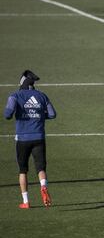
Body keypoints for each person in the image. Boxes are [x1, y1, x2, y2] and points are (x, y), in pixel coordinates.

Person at [3, 70, 56, 209]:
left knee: (23, 170)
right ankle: (43, 187)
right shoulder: (42, 95)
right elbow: (52, 114)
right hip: (39, 137)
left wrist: (20, 113)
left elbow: (7, 115)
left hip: (22, 139)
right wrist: (38, 115)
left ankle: (26, 201)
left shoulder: (15, 96)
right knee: (41, 168)